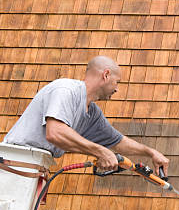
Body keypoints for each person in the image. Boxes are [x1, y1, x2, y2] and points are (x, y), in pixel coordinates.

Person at [3, 56, 169, 174]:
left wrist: (151, 152)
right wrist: (100, 152)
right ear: (106, 75)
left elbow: (118, 142)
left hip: (36, 166)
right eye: (117, 82)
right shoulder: (66, 90)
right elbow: (55, 132)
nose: (117, 89)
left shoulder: (92, 113)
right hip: (13, 162)